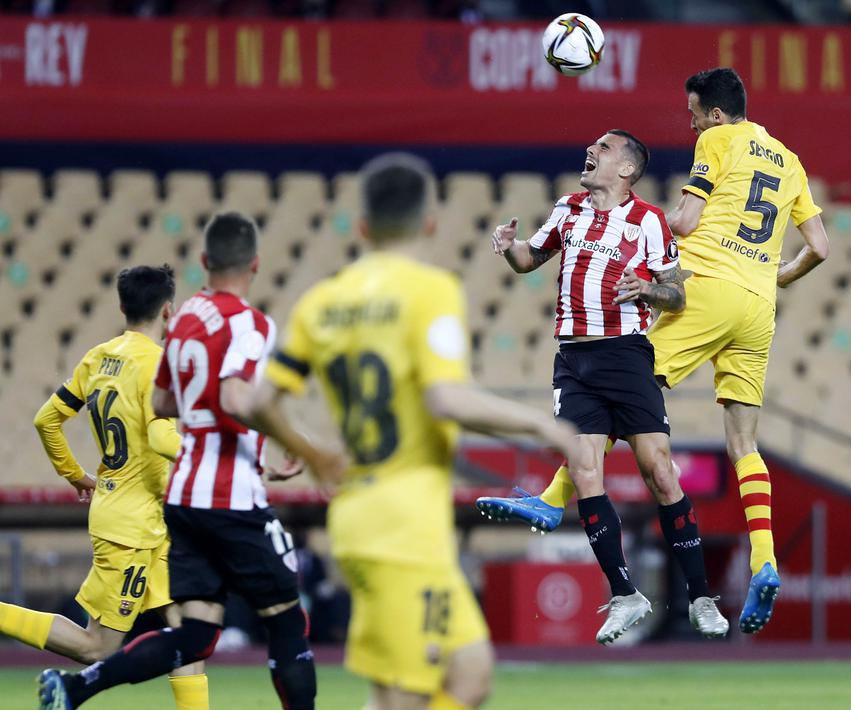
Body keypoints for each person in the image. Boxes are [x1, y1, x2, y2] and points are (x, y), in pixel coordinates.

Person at [477, 68, 830, 634]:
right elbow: (821, 245)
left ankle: (551, 496)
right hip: (759, 308)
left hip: (707, 292)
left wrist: (628, 223)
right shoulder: (788, 158)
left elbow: (687, 221)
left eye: (694, 114)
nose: (691, 124)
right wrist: (779, 277)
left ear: (715, 113)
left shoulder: (717, 141)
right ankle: (765, 558)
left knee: (627, 381)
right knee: (743, 441)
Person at [248, 152, 580, 710]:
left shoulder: (321, 303)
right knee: (410, 694)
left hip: (363, 516)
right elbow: (444, 397)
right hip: (402, 526)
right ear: (431, 222)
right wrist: (542, 426)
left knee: (465, 674)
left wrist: (314, 451)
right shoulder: (430, 290)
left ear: (361, 226)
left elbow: (258, 400)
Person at [39, 213, 316, 710]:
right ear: (255, 264)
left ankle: (80, 688)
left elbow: (165, 403)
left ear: (205, 261)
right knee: (288, 622)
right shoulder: (250, 324)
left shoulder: (186, 322)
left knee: (192, 638)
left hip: (177, 504)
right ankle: (80, 683)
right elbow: (230, 401)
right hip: (222, 499)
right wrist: (301, 445)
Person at [477, 130, 728, 644]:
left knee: (659, 472)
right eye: (593, 146)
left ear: (627, 169)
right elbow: (530, 260)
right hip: (573, 361)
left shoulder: (650, 221)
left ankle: (702, 596)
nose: (591, 151)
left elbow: (677, 297)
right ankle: (625, 594)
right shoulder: (568, 209)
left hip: (626, 356)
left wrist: (648, 289)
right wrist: (508, 249)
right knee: (585, 471)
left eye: (605, 148)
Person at [3, 265, 209, 710]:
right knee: (97, 648)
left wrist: (74, 474)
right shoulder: (159, 363)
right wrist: (206, 455)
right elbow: (159, 436)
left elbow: (47, 420)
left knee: (187, 634)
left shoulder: (99, 356)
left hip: (140, 517)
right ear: (169, 310)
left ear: (122, 307)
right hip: (132, 527)